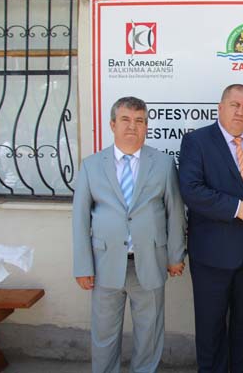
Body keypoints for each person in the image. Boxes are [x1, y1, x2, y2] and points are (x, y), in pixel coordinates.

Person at [72, 96, 186, 373]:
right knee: (104, 335)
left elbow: (175, 212)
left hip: (150, 261)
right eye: (125, 119)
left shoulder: (163, 163)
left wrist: (175, 256)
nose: (132, 126)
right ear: (112, 124)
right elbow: (80, 219)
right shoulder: (91, 165)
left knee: (149, 334)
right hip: (105, 264)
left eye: (139, 121)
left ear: (146, 126)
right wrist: (83, 266)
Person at [178, 84, 243, 373]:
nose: (240, 112)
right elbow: (191, 190)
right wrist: (235, 207)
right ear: (220, 107)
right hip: (212, 257)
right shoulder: (197, 141)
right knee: (211, 329)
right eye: (234, 105)